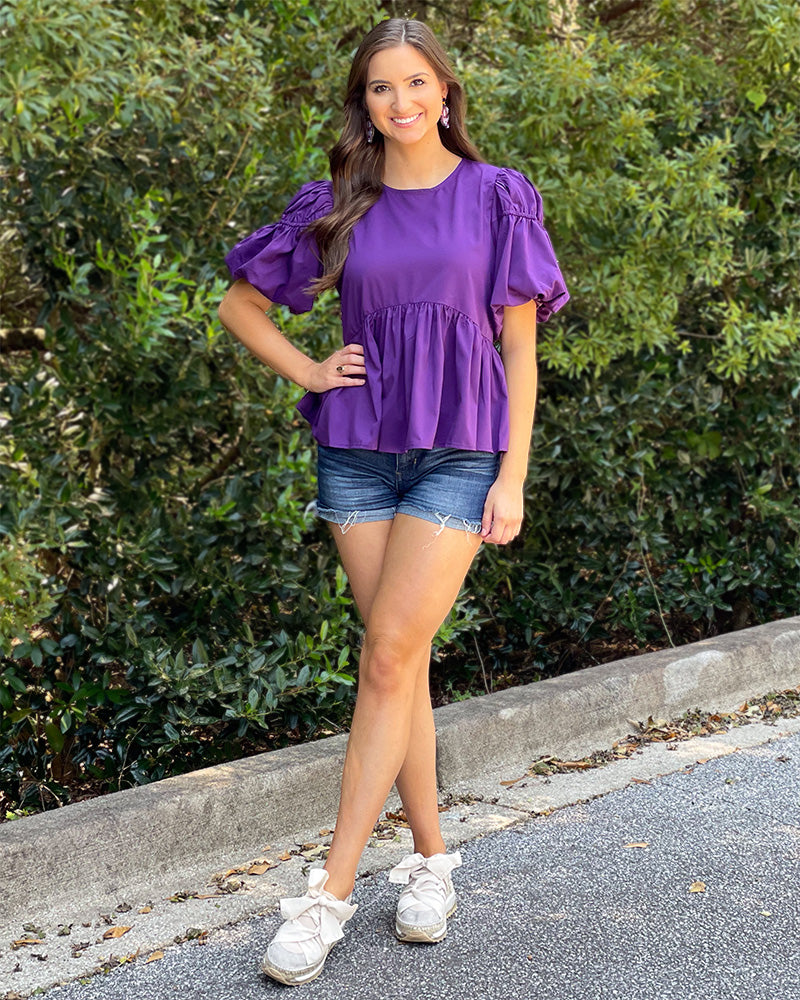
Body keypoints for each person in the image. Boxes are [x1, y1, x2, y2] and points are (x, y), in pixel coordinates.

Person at [218, 16, 568, 987]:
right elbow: (239, 305)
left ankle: (328, 895)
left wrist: (511, 475)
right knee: (396, 661)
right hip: (357, 452)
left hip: (460, 452)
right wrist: (309, 370)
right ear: (363, 103)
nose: (401, 101)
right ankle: (430, 863)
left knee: (385, 657)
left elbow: (519, 349)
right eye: (381, 87)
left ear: (444, 92)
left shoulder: (496, 196)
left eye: (417, 82)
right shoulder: (339, 201)